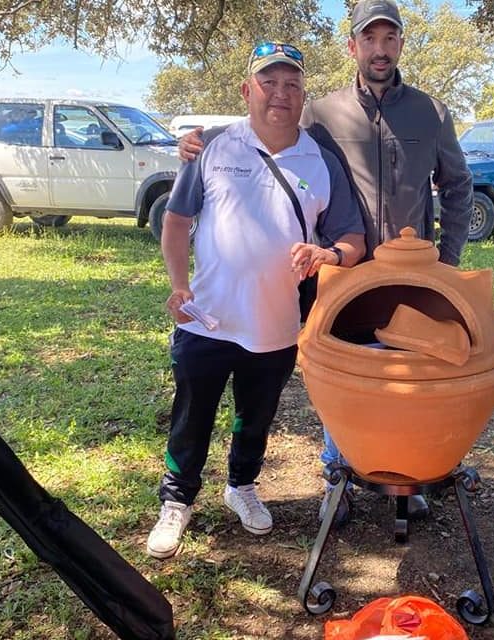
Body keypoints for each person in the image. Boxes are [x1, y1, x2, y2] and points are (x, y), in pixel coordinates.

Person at [179, 0, 473, 527]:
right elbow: (268, 122)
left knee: (413, 373)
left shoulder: (432, 113)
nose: (379, 49)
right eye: (369, 39)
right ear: (353, 46)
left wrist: (447, 263)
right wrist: (199, 142)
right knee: (347, 375)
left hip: (414, 276)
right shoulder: (322, 112)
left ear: (400, 45)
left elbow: (459, 186)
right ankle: (338, 475)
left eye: (390, 38)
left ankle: (406, 479)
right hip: (345, 275)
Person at [147, 41, 366, 560]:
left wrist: (326, 253)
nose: (280, 94)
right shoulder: (214, 148)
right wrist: (178, 284)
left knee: (256, 415)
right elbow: (176, 222)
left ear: (303, 95)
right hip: (206, 318)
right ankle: (176, 501)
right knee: (192, 415)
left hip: (275, 324)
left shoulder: (321, 159)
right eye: (269, 83)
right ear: (248, 90)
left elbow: (352, 242)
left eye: (291, 85)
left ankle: (241, 485)